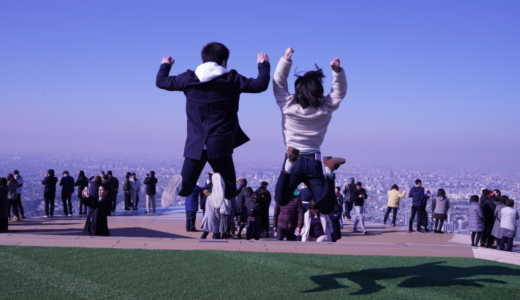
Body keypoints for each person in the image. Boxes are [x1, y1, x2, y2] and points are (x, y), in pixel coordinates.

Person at [156, 42, 271, 206]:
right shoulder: (231, 79)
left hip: (195, 145)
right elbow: (260, 84)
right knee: (230, 189)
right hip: (220, 144)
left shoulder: (188, 78)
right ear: (224, 61)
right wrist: (263, 64)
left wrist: (165, 65)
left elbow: (161, 82)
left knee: (187, 188)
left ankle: (178, 185)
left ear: (203, 59)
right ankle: (221, 184)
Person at [273, 47, 348, 215]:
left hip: (294, 157)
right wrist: (337, 72)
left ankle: (288, 166)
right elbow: (339, 92)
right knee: (327, 208)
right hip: (315, 160)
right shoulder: (325, 107)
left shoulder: (288, 106)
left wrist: (285, 61)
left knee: (281, 199)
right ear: (318, 91)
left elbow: (278, 82)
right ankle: (328, 171)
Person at [200, 174, 226, 239]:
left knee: (205, 232)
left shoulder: (209, 197)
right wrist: (219, 217)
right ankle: (215, 245)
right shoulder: (216, 199)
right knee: (215, 233)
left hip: (207, 217)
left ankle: (200, 243)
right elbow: (216, 210)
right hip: (214, 218)